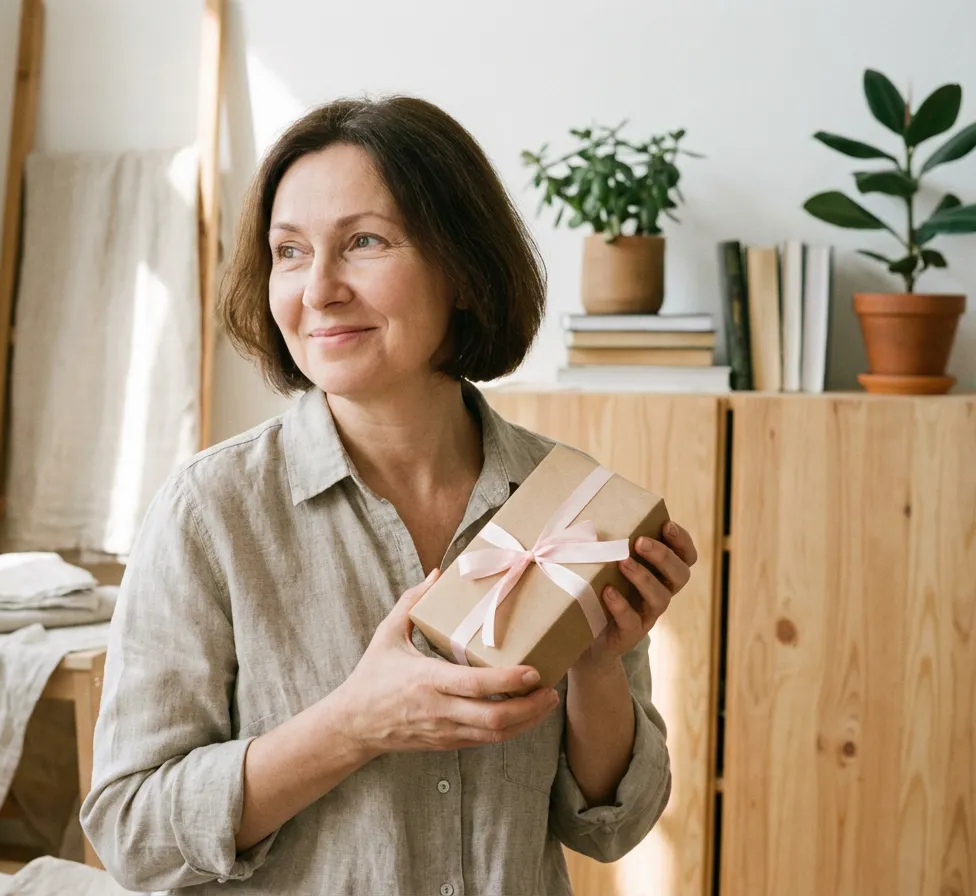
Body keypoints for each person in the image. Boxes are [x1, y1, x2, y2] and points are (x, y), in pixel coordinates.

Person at [80, 95, 698, 895]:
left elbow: (612, 826)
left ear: (466, 272)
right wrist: (352, 727)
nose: (319, 289)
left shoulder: (562, 503)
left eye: (365, 242)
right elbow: (133, 833)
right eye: (291, 251)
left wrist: (597, 662)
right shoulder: (211, 513)